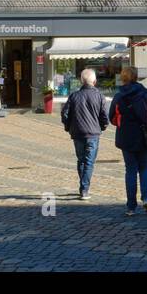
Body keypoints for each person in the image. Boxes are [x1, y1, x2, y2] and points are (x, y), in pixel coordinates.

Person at [109, 67, 147, 216]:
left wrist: (122, 124)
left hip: (126, 137)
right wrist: (146, 122)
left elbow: (111, 117)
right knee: (144, 168)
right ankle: (146, 199)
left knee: (130, 170)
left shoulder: (119, 96)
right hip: (143, 136)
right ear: (136, 77)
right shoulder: (145, 93)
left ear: (123, 78)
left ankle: (131, 207)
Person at [61, 68, 108, 200]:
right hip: (93, 134)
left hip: (77, 133)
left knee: (81, 160)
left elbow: (65, 114)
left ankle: (83, 187)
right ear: (94, 81)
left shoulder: (74, 96)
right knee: (89, 162)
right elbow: (104, 116)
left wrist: (68, 127)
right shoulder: (99, 96)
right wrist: (103, 126)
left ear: (82, 81)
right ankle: (84, 189)